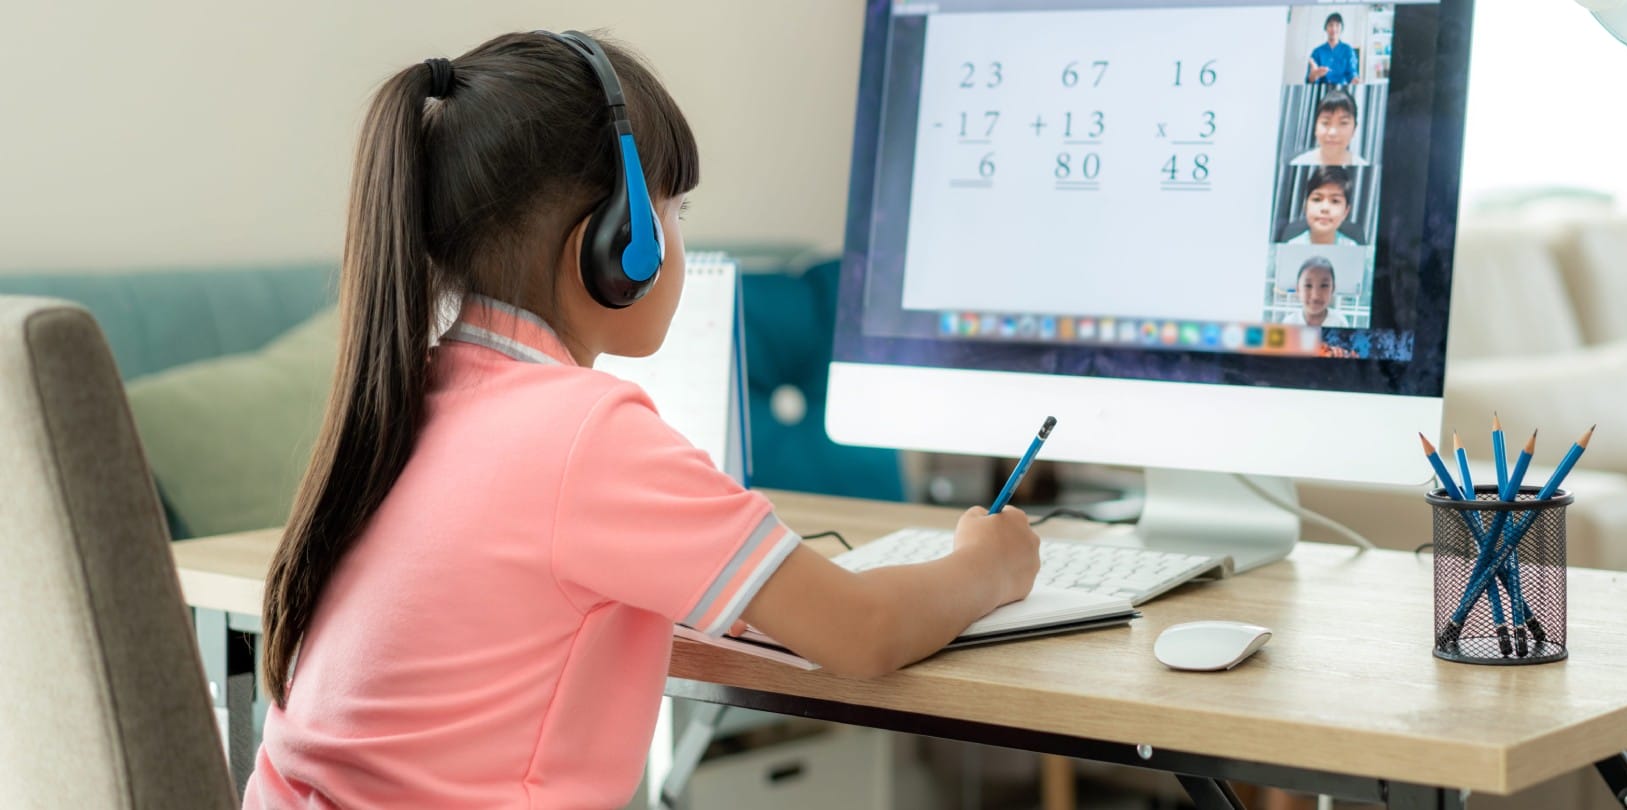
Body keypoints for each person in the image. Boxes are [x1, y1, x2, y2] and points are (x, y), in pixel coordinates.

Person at [243, 32, 1041, 809]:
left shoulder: (409, 394)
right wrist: (986, 563)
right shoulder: (585, 432)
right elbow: (861, 632)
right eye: (676, 212)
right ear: (620, 245)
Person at [1284, 167, 1360, 246]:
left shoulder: (1352, 246)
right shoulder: (1291, 245)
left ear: (1346, 212)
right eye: (1317, 199)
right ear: (1305, 206)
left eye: (1335, 201)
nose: (1325, 208)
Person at [1290, 91, 1366, 167]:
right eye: (1325, 123)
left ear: (1354, 129)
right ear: (1315, 127)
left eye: (1343, 123)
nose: (1332, 132)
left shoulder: (1362, 164)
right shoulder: (1299, 162)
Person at [1282, 256, 1355, 328]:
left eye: (1324, 285)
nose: (1315, 295)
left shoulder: (1339, 322)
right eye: (1308, 285)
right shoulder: (1289, 323)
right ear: (1298, 289)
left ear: (1333, 289)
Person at [1305, 12, 1359, 86]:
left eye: (1337, 25)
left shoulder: (1348, 50)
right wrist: (1314, 75)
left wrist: (1356, 80)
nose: (1334, 28)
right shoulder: (1317, 52)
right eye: (1330, 25)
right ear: (1326, 28)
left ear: (1341, 28)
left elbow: (1352, 74)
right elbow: (1309, 80)